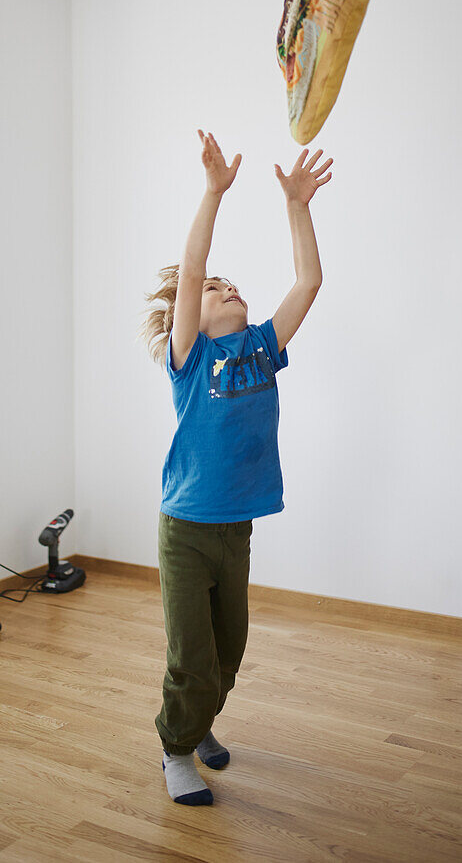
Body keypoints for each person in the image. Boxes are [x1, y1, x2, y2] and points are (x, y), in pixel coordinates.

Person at [140, 129, 332, 805]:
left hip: (235, 529)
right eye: (215, 288)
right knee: (191, 657)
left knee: (227, 653)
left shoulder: (260, 346)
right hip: (187, 528)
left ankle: (199, 725)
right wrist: (212, 193)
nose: (226, 288)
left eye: (231, 284)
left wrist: (296, 206)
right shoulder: (188, 357)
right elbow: (191, 273)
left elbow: (308, 281)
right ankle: (175, 747)